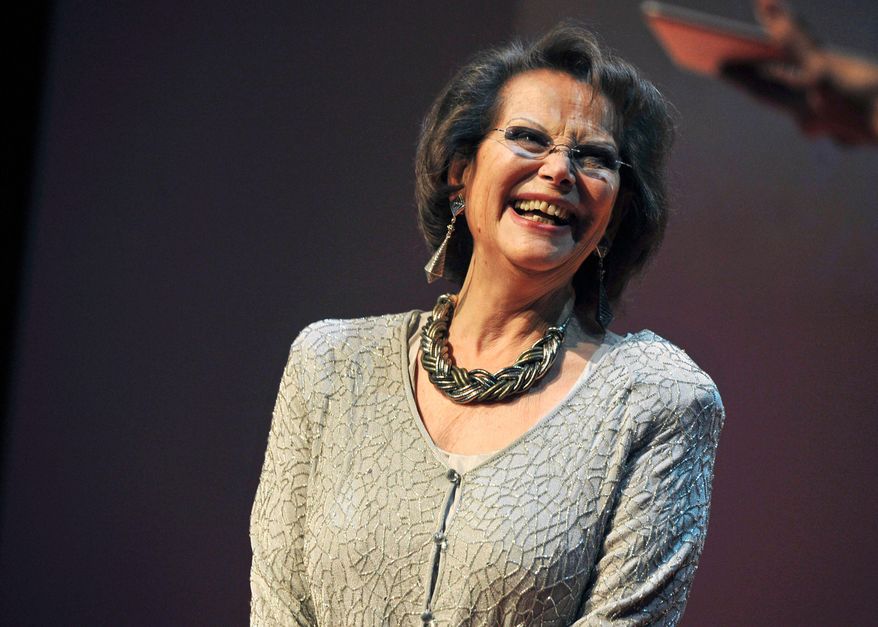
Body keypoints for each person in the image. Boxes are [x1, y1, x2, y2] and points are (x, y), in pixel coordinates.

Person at [250, 23, 724, 626]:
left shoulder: (659, 400)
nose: (559, 170)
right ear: (460, 172)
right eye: (528, 138)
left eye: (595, 157)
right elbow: (278, 604)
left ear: (617, 209)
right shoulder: (329, 366)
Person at [721, 0, 878, 144]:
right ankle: (774, 17)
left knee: (737, 72)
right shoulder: (865, 82)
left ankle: (774, 20)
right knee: (738, 72)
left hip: (814, 102)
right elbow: (815, 64)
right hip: (818, 94)